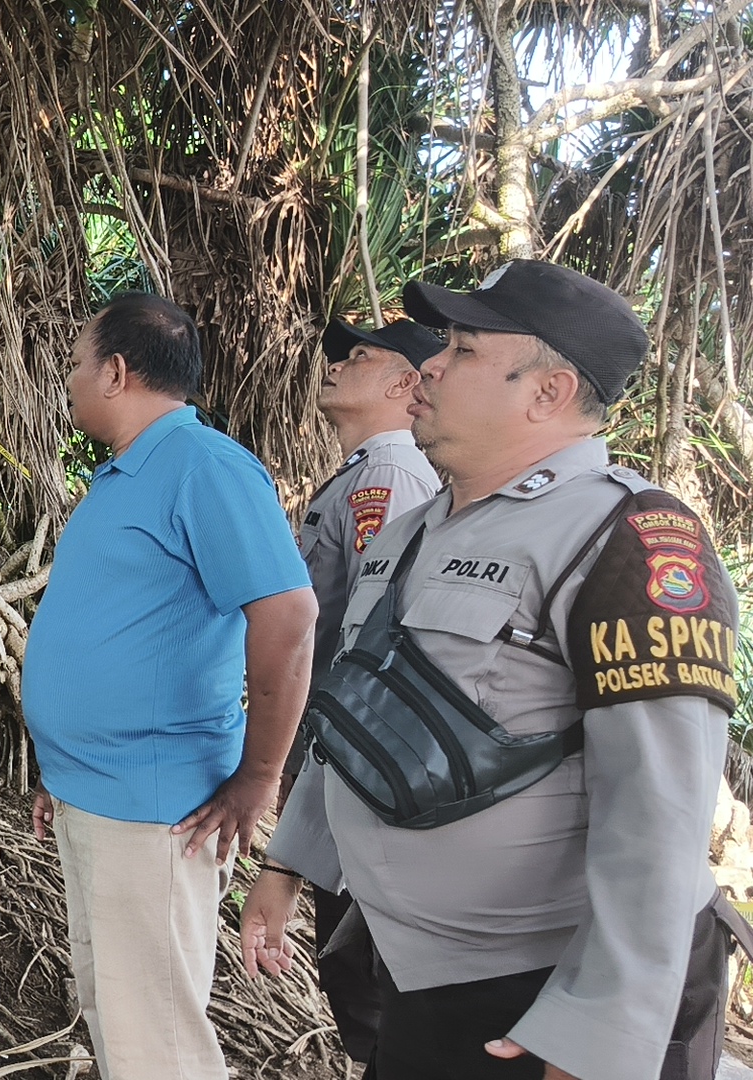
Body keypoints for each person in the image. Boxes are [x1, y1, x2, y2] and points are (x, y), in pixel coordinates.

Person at [242, 260, 741, 1080]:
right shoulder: (413, 532)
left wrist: (600, 1033)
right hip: (421, 971)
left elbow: (659, 807)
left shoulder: (632, 539)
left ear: (547, 391)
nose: (430, 366)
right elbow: (359, 715)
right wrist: (290, 860)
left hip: (547, 993)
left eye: (464, 349)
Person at [23, 292, 317, 1080]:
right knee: (121, 1023)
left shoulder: (206, 468)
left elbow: (288, 618)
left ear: (117, 372)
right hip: (99, 798)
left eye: (78, 363)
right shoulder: (123, 478)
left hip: (157, 814)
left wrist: (259, 778)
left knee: (158, 1047)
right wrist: (65, 770)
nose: (71, 379)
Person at [283, 316, 442, 1065]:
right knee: (351, 972)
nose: (338, 364)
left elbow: (373, 639)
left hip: (358, 765)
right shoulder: (363, 474)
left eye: (360, 355)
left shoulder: (391, 478)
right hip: (338, 761)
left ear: (406, 383)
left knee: (365, 977)